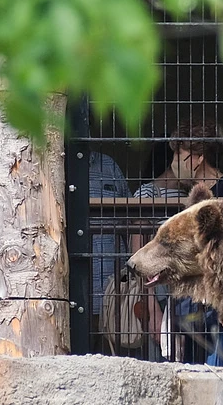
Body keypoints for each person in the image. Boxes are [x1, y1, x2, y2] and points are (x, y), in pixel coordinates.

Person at [132, 118, 223, 365]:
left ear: (197, 158)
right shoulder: (193, 196)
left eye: (177, 157)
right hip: (193, 303)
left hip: (217, 303)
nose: (172, 164)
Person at [88, 149, 131, 351]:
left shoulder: (109, 165)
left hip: (113, 286)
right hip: (71, 286)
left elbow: (131, 219)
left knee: (113, 353)